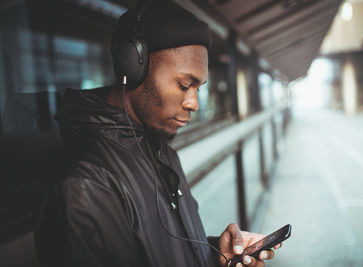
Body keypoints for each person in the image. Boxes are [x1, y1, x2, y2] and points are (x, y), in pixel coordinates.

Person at [35, 1, 281, 266]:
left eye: (198, 89)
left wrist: (216, 256)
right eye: (185, 84)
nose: (194, 104)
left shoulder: (162, 151)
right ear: (133, 68)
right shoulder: (86, 190)